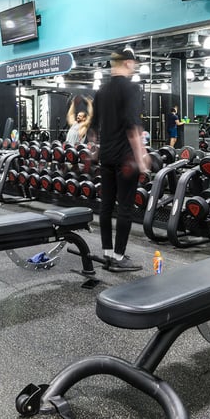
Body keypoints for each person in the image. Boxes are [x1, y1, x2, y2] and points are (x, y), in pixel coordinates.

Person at [93, 47, 147, 273]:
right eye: (133, 63)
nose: (134, 67)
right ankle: (119, 256)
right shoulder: (132, 88)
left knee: (106, 206)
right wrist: (142, 157)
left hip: (106, 156)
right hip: (125, 158)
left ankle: (106, 253)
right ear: (127, 63)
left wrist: (95, 152)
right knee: (124, 207)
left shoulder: (101, 91)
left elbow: (93, 129)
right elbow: (132, 126)